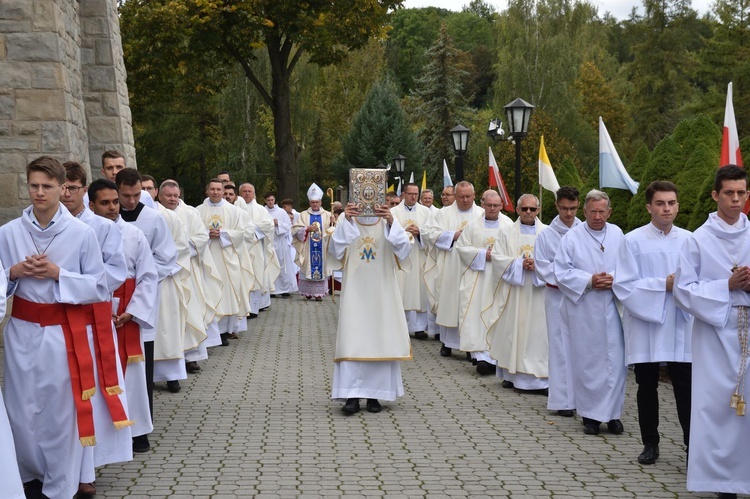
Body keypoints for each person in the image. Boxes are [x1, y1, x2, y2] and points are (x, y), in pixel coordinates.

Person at [0, 156, 113, 498]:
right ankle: (27, 476)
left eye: (47, 186)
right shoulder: (8, 233)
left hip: (63, 334)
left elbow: (99, 286)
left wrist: (58, 274)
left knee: (60, 413)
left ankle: (61, 484)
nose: (39, 192)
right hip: (20, 331)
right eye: (33, 185)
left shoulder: (81, 234)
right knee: (21, 410)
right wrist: (13, 273)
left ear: (62, 188)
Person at [673, 165, 750, 498]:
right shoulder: (698, 240)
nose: (736, 199)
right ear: (715, 195)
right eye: (729, 193)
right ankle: (721, 483)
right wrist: (726, 286)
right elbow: (683, 290)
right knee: (717, 406)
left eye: (741, 193)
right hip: (715, 336)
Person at [613, 181, 692, 465]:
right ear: (649, 207)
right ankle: (650, 443)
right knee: (647, 385)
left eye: (671, 203)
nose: (666, 208)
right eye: (660, 203)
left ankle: (692, 446)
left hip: (681, 324)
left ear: (678, 206)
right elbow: (623, 285)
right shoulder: (632, 241)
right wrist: (663, 284)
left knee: (686, 387)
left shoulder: (690, 240)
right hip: (646, 323)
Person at [89, 179, 158, 454]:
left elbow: (148, 276)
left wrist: (132, 311)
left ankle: (137, 430)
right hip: (96, 310)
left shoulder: (134, 234)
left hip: (126, 310)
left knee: (132, 373)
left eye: (115, 201)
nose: (112, 207)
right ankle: (104, 428)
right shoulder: (84, 233)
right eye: (104, 203)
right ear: (91, 205)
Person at [328, 201, 412, 414]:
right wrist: (346, 219)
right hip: (355, 290)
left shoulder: (387, 219)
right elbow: (336, 250)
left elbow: (403, 249)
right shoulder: (347, 219)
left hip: (382, 289)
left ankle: (377, 395)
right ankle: (352, 396)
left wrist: (392, 222)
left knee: (381, 338)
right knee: (353, 338)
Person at [554, 189, 626, 436]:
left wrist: (613, 279)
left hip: (614, 306)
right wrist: (589, 280)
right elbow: (561, 271)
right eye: (592, 211)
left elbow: (629, 267)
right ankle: (591, 416)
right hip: (584, 308)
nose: (597, 216)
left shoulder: (617, 233)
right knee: (588, 361)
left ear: (609, 212)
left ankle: (613, 414)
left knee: (615, 362)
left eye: (602, 211)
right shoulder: (572, 237)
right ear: (584, 212)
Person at [115, 168, 179, 437]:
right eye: (125, 195)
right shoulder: (105, 216)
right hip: (109, 301)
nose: (130, 201)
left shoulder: (153, 218)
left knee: (141, 362)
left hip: (142, 298)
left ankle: (141, 427)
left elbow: (167, 258)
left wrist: (143, 273)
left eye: (135, 195)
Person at [486, 194, 549, 393]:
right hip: (515, 291)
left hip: (539, 293)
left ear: (538, 210)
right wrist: (520, 264)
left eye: (532, 209)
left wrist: (539, 265)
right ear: (518, 210)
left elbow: (557, 260)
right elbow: (497, 259)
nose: (528, 212)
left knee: (538, 335)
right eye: (524, 209)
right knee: (513, 332)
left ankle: (539, 378)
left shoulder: (547, 233)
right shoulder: (506, 232)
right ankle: (511, 374)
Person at [160, 179, 223, 368]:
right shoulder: (154, 213)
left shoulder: (190, 213)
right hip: (163, 273)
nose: (172, 199)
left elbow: (201, 238)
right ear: (159, 195)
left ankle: (192, 355)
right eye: (168, 196)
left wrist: (176, 248)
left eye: (175, 196)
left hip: (187, 270)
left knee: (190, 313)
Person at [534, 186, 581, 417]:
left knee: (583, 347)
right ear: (556, 206)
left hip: (583, 297)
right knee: (560, 347)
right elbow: (543, 267)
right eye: (564, 208)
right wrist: (571, 278)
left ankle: (584, 398)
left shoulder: (586, 231)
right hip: (557, 296)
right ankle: (563, 400)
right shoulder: (545, 235)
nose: (569, 214)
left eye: (573, 208)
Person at [424, 181, 483, 357]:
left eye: (468, 196)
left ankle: (470, 345)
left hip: (474, 266)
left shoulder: (482, 214)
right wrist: (453, 235)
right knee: (450, 302)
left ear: (474, 195)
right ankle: (447, 342)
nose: (465, 200)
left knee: (470, 304)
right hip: (450, 264)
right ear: (455, 196)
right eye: (461, 196)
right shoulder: (443, 214)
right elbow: (429, 233)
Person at [456, 190, 512, 374]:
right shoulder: (472, 226)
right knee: (477, 313)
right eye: (489, 205)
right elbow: (462, 248)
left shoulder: (509, 225)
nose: (493, 208)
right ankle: (480, 355)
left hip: (499, 278)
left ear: (501, 206)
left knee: (496, 313)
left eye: (496, 205)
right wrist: (482, 254)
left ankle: (496, 355)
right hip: (479, 277)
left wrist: (498, 258)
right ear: (483, 205)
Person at [196, 178, 254, 344]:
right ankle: (208, 330)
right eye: (212, 189)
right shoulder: (197, 211)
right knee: (208, 292)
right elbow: (191, 232)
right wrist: (206, 234)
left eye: (218, 189)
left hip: (227, 258)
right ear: (207, 190)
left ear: (223, 191)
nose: (215, 192)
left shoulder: (234, 211)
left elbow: (242, 233)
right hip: (206, 259)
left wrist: (223, 234)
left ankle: (224, 332)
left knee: (226, 294)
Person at [391, 183, 432, 340]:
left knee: (419, 291)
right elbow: (391, 232)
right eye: (410, 193)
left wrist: (420, 232)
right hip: (402, 257)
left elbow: (432, 231)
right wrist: (404, 233)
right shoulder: (394, 212)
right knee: (402, 290)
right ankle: (401, 326)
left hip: (419, 255)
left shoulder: (425, 212)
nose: (413, 196)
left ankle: (419, 327)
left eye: (416, 194)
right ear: (404, 194)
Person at [239, 183, 280, 318]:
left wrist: (250, 230)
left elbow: (268, 225)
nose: (246, 194)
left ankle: (253, 308)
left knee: (256, 276)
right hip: (239, 248)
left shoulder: (260, 210)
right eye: (244, 191)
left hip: (256, 248)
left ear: (254, 193)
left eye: (249, 191)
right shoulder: (235, 208)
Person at [293, 183, 333, 301]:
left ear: (320, 202)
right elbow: (295, 229)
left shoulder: (327, 215)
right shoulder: (304, 215)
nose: (315, 204)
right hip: (307, 247)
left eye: (317, 202)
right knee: (307, 268)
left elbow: (333, 232)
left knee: (321, 266)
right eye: (312, 202)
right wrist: (306, 229)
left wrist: (333, 223)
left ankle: (319, 294)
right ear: (310, 203)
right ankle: (308, 292)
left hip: (323, 248)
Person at [265, 192, 297, 298]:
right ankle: (271, 289)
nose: (270, 202)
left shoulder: (281, 212)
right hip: (267, 242)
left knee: (282, 266)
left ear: (275, 200)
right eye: (268, 200)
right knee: (269, 265)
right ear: (265, 201)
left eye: (272, 200)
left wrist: (278, 223)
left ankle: (284, 289)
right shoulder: (262, 211)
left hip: (279, 242)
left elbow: (288, 226)